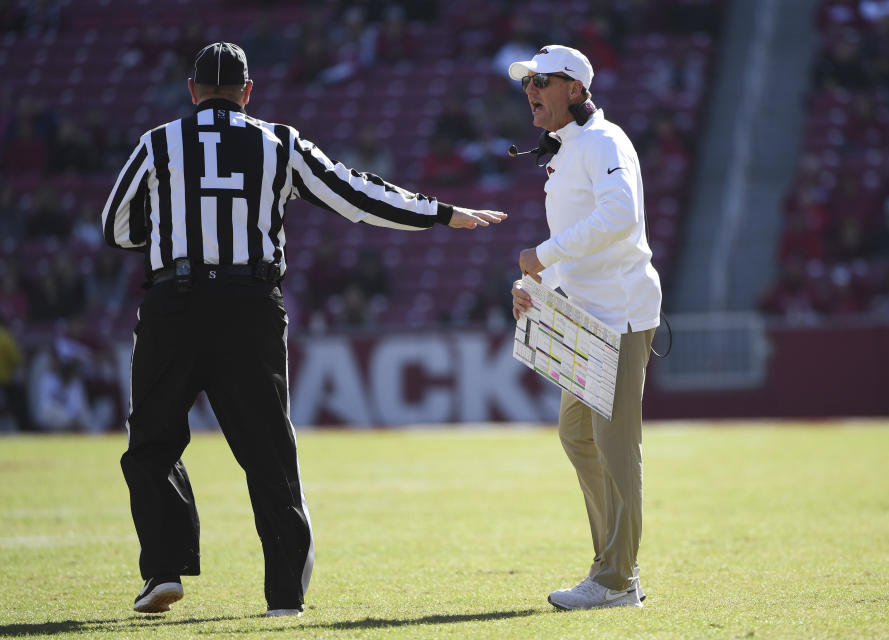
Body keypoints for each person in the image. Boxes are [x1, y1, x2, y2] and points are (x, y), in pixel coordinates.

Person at [102, 42, 505, 618]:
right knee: (267, 451)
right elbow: (354, 195)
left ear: (191, 93)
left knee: (153, 443)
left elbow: (116, 227)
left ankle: (163, 570)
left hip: (175, 303)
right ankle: (284, 595)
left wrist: (170, 232)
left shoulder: (157, 142)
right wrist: (440, 212)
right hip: (249, 304)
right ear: (247, 93)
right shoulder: (279, 142)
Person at [508, 45, 662, 610]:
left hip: (617, 315)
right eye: (528, 82)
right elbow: (578, 242)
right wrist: (539, 289)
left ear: (574, 88)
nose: (531, 91)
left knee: (616, 447)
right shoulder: (572, 147)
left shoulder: (603, 140)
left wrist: (543, 256)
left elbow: (620, 216)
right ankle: (614, 567)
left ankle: (617, 580)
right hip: (587, 317)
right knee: (578, 436)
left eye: (542, 81)